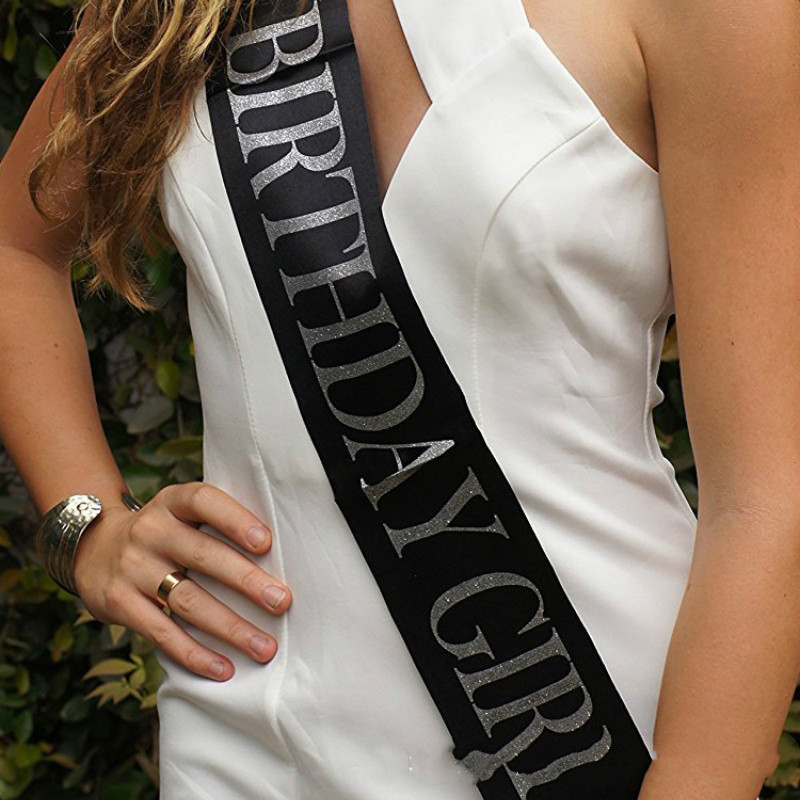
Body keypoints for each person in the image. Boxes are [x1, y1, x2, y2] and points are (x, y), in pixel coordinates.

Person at [0, 0, 799, 797]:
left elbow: (769, 496)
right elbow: (15, 250)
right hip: (246, 737)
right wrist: (87, 527)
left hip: (578, 734)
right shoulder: (184, 9)